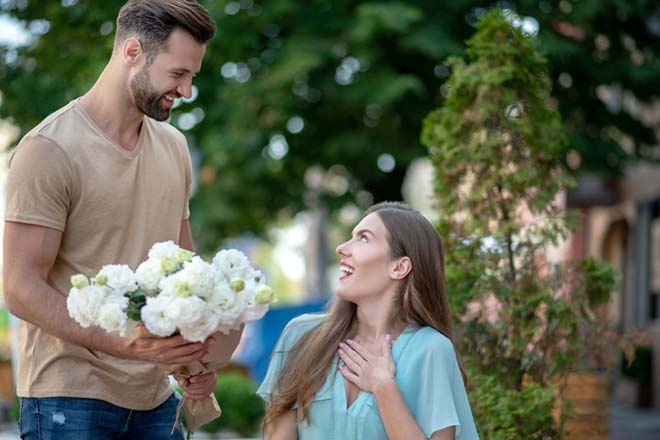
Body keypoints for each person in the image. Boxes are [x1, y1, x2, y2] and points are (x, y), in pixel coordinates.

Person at [2, 2, 242, 439]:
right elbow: (20, 288)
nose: (186, 91)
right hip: (68, 396)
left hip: (155, 397)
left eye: (192, 76)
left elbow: (181, 269)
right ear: (133, 52)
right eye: (177, 74)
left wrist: (194, 364)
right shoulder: (49, 149)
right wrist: (128, 343)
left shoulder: (173, 147)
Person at [258, 201, 479, 440]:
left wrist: (384, 386)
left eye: (363, 238)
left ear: (399, 267)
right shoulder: (300, 335)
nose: (342, 248)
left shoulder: (431, 350)